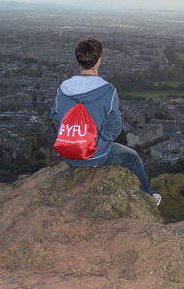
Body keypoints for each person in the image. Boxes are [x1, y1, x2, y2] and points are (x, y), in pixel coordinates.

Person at [51, 38, 161, 206]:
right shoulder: (107, 90)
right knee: (133, 157)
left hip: (68, 155)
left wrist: (72, 138)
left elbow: (56, 119)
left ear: (78, 59)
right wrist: (101, 140)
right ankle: (149, 197)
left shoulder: (63, 88)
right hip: (96, 155)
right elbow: (116, 127)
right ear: (99, 59)